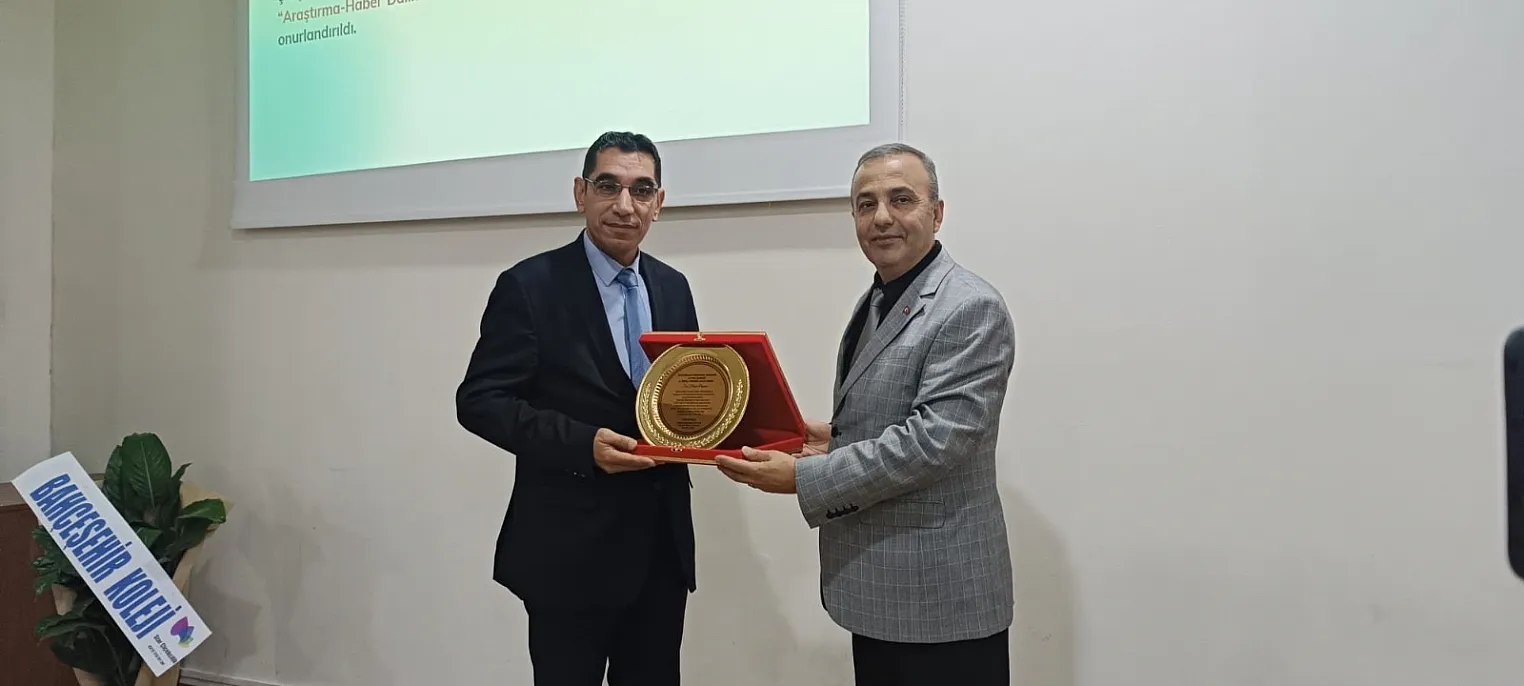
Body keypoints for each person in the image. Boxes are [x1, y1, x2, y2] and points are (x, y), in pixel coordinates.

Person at [715, 142, 1018, 685]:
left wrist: (804, 478)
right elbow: (899, 416)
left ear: (937, 213)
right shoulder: (880, 298)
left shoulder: (970, 306)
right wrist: (832, 438)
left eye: (901, 199)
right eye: (865, 204)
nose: (881, 218)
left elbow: (933, 442)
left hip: (940, 602)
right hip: (883, 592)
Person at [456, 131, 699, 686]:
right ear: (580, 193)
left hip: (659, 552)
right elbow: (480, 401)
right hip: (567, 554)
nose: (624, 205)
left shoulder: (674, 288)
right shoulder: (530, 286)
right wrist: (581, 445)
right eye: (608, 186)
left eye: (641, 190)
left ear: (659, 203)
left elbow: (683, 399)